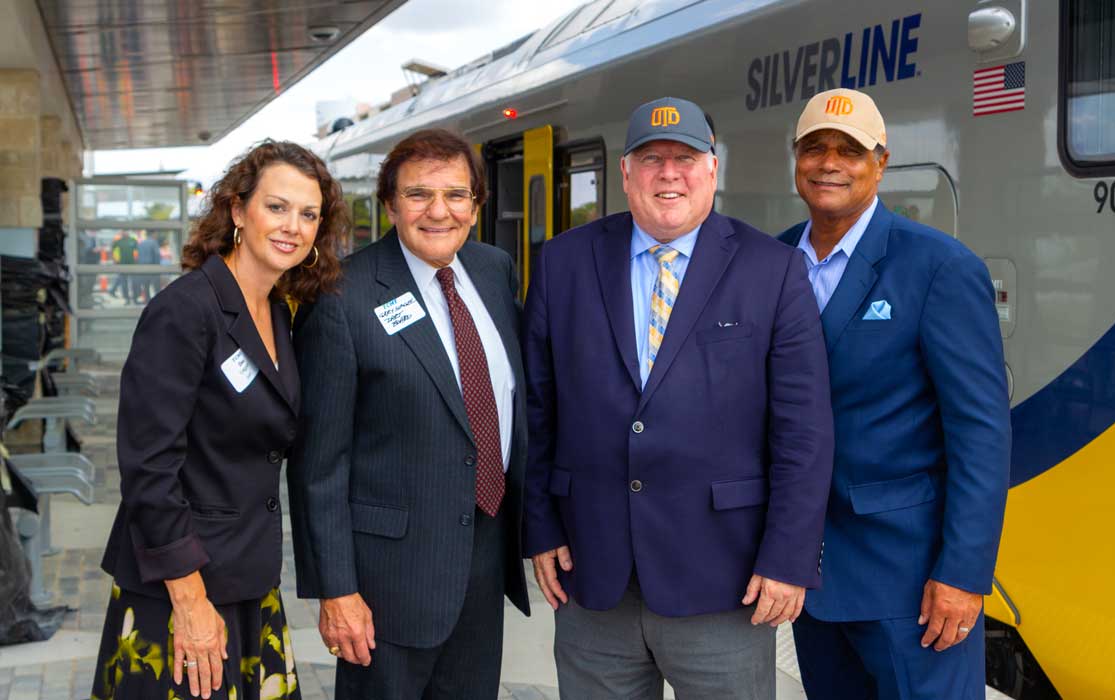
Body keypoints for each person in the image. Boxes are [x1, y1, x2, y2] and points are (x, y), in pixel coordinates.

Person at [522, 97, 834, 700]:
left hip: (725, 580)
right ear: (626, 173)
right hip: (593, 578)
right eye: (652, 158)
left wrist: (789, 558)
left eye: (686, 158)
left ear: (712, 168)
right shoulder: (563, 262)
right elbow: (540, 410)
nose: (669, 173)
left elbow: (804, 430)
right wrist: (540, 526)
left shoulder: (771, 269)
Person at [776, 88, 1011, 700]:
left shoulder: (938, 267)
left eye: (850, 150)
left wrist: (963, 573)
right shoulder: (768, 262)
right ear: (795, 159)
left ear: (880, 163)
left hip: (910, 583)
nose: (830, 162)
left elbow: (981, 433)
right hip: (808, 578)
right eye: (815, 147)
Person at [92, 140, 347, 700]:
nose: (293, 227)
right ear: (237, 210)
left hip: (249, 579)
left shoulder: (278, 310)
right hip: (182, 590)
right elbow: (148, 468)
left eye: (309, 214)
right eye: (277, 207)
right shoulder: (185, 310)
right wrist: (189, 600)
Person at [288, 128, 530, 700]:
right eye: (419, 195)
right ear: (391, 204)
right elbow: (318, 464)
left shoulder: (494, 271)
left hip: (483, 560)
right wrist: (336, 591)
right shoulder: (342, 298)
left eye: (456, 194)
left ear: (476, 203)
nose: (439, 211)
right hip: (386, 584)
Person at [135, 230, 162, 303]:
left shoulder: (141, 243)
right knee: (156, 286)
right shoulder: (154, 242)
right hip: (153, 267)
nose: (157, 235)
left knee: (146, 286)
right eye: (156, 234)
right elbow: (156, 255)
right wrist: (159, 267)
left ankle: (147, 301)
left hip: (143, 267)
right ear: (153, 234)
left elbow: (138, 256)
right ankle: (158, 302)